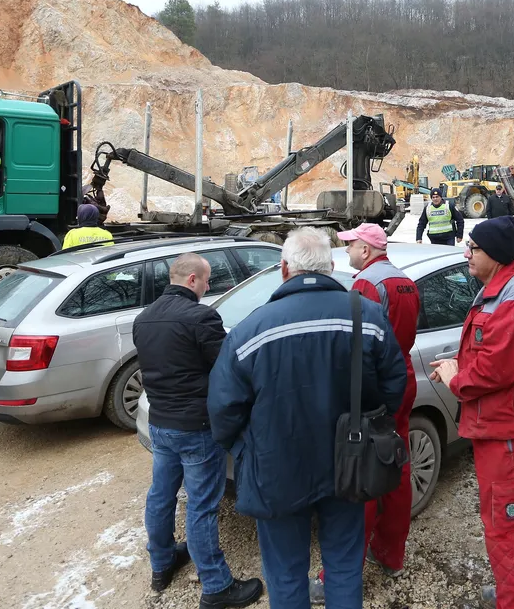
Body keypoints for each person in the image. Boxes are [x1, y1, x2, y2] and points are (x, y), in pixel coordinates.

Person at [208, 228, 407, 609]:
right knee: (345, 567)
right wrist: (368, 425)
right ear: (331, 267)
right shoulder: (366, 316)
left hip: (276, 469)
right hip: (349, 465)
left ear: (283, 268)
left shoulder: (251, 329)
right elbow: (394, 385)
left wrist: (246, 449)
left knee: (285, 573)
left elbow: (222, 411)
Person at [429, 216, 514, 609]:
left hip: (509, 435)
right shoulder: (498, 291)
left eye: (475, 248)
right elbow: (493, 353)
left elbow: (497, 370)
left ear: (496, 255)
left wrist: (455, 378)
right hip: (498, 429)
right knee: (505, 522)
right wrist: (460, 362)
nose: (467, 253)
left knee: (507, 525)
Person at [135, 254, 264, 607]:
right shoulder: (201, 317)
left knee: (160, 495)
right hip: (196, 427)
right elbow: (227, 367)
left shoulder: (144, 318)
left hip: (160, 422)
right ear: (192, 279)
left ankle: (161, 563)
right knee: (202, 505)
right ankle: (216, 585)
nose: (208, 288)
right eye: (206, 282)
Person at [310, 223, 421, 604]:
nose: (347, 252)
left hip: (373, 387)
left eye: (351, 245)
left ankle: (339, 573)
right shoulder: (404, 280)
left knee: (363, 477)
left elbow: (355, 345)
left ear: (367, 249)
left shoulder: (366, 286)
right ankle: (391, 554)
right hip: (403, 377)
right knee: (397, 466)